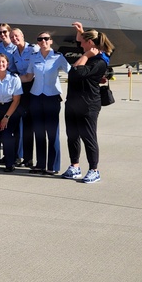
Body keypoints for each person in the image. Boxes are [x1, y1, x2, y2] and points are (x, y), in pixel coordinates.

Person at [62, 22, 114, 184]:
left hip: (88, 105)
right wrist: (81, 32)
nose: (79, 44)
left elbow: (74, 72)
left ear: (90, 44)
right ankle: (74, 166)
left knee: (88, 137)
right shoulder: (91, 54)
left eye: (83, 42)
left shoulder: (98, 62)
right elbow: (82, 43)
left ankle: (94, 170)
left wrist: (84, 56)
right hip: (73, 103)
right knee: (72, 136)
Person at [29, 31, 70, 174]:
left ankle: (52, 166)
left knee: (52, 133)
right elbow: (29, 76)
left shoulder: (58, 57)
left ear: (51, 41)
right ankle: (40, 164)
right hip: (36, 96)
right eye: (40, 39)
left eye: (46, 39)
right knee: (39, 132)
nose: (43, 41)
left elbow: (71, 71)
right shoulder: (33, 57)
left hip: (51, 97)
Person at [10, 27, 36, 167]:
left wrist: (14, 80)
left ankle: (29, 158)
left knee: (30, 125)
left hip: (33, 88)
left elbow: (31, 74)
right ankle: (21, 156)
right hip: (21, 88)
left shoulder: (33, 49)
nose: (14, 39)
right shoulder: (14, 53)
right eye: (12, 37)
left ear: (22, 35)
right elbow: (14, 71)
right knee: (21, 124)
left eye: (16, 36)